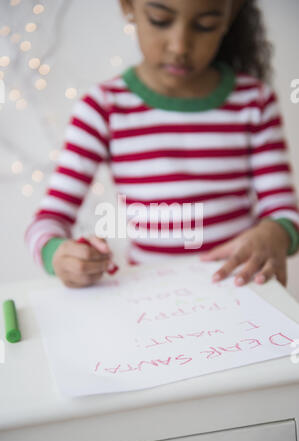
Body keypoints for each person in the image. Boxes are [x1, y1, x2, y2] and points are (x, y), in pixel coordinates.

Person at [24, 0, 299, 289]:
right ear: (128, 7)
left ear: (229, 17)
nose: (180, 47)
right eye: (159, 20)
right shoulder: (104, 107)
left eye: (205, 25)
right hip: (151, 297)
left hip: (239, 290)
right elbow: (47, 222)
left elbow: (284, 212)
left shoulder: (254, 102)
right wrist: (57, 255)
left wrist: (275, 233)